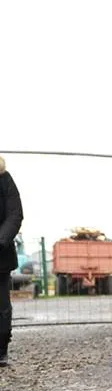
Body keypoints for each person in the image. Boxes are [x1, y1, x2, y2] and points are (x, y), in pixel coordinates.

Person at [0, 156, 23, 368]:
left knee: (2, 307)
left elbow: (15, 214)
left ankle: (1, 350)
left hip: (0, 255)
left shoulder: (4, 179)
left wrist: (0, 240)